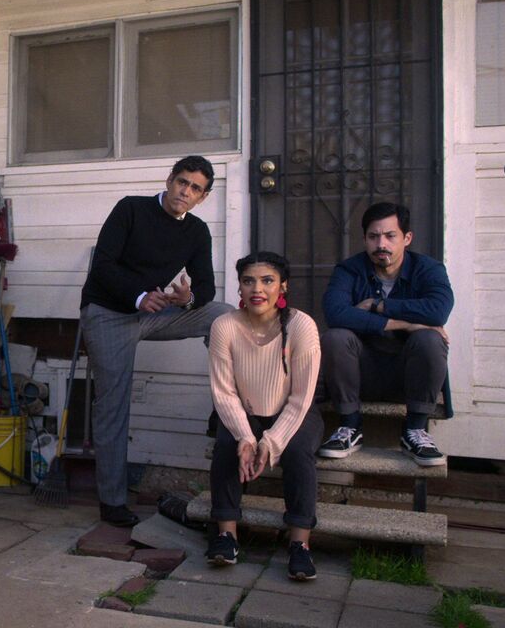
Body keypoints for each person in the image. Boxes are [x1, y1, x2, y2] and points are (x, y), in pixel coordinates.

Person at [79, 155, 234, 527]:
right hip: (108, 312)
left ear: (203, 197)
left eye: (195, 188)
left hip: (155, 312)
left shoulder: (196, 231)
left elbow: (206, 287)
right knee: (113, 405)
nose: (185, 192)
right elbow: (103, 266)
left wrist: (188, 299)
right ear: (169, 180)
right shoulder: (131, 209)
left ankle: (228, 403)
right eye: (182, 182)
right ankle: (112, 502)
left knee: (223, 316)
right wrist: (137, 296)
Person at [205, 252, 323, 581]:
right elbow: (223, 392)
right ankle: (226, 535)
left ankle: (300, 544)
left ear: (282, 287)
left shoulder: (301, 325)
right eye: (248, 281)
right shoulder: (224, 326)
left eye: (267, 281)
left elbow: (301, 398)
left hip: (296, 411)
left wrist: (270, 443)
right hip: (243, 411)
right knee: (227, 445)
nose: (257, 289)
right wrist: (246, 438)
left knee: (297, 451)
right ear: (240, 288)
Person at [317, 202, 453, 467]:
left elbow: (438, 311)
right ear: (364, 239)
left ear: (407, 238)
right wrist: (405, 324)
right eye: (373, 236)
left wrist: (379, 305)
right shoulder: (349, 270)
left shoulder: (428, 269)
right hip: (360, 374)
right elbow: (335, 314)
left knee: (430, 338)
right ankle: (350, 426)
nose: (381, 244)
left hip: (408, 377)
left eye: (390, 236)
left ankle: (415, 429)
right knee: (336, 337)